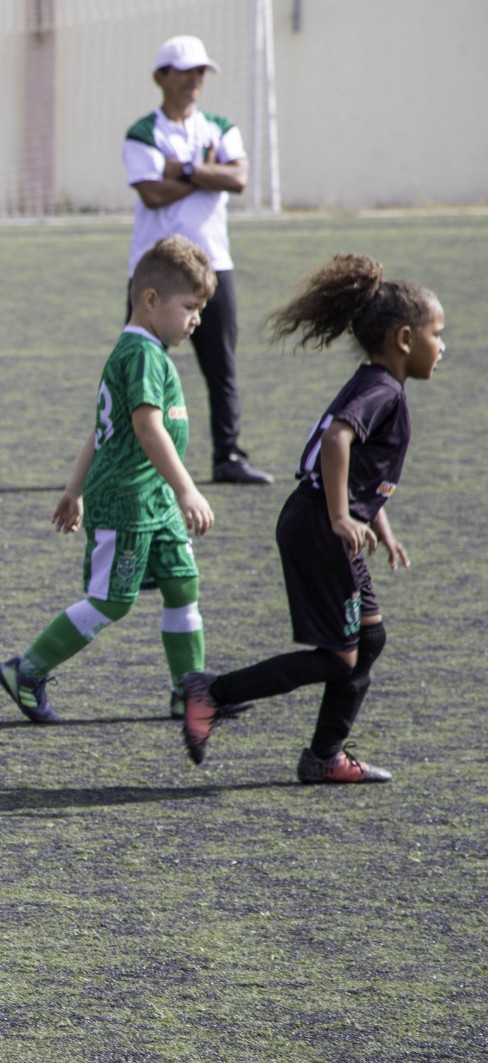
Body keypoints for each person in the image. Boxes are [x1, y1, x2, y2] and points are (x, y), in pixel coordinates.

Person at [181, 255, 443, 783]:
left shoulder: (376, 382)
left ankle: (325, 755)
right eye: (438, 334)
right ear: (405, 339)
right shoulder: (383, 390)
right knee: (339, 658)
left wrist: (379, 526)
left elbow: (363, 469)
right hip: (321, 525)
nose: (443, 346)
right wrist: (342, 516)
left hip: (318, 521)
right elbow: (337, 439)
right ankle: (215, 693)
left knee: (366, 643)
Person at [0, 235, 234, 724]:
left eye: (201, 309)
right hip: (127, 501)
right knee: (111, 601)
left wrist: (73, 488)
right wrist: (187, 488)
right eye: (190, 307)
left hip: (154, 498)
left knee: (182, 584)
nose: (197, 319)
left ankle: (189, 692)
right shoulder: (142, 355)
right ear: (150, 300)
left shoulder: (146, 351)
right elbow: (146, 428)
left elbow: (101, 431)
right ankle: (27, 669)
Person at [124, 34, 271, 486]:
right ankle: (128, 452)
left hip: (214, 265)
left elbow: (239, 179)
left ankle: (228, 455)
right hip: (156, 270)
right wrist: (208, 174)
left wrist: (183, 169)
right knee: (140, 361)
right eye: (185, 71)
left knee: (221, 364)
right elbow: (152, 194)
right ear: (160, 77)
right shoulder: (142, 133)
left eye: (200, 72)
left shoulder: (221, 127)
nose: (194, 80)